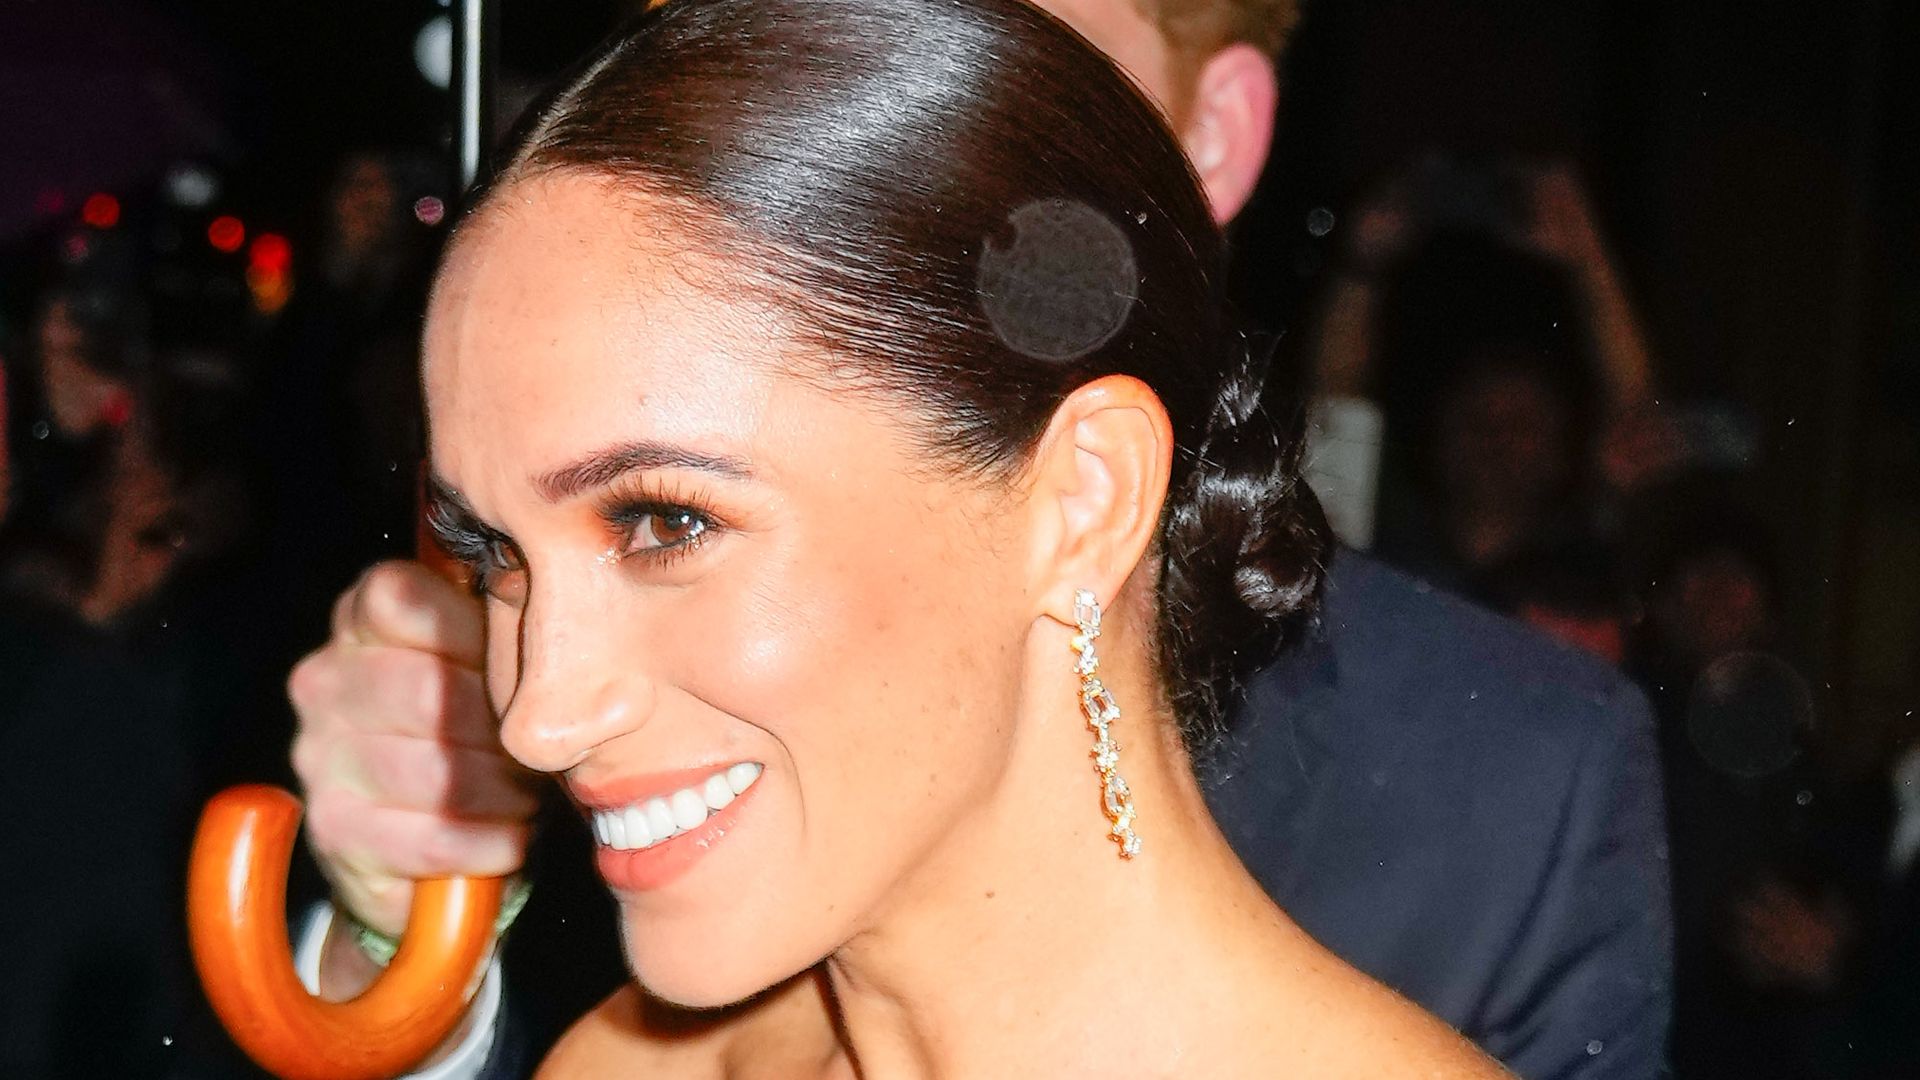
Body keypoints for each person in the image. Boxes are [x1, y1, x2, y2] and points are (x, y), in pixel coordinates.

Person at [286, 0, 1671, 1076]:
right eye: (498, 553)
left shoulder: (1502, 782)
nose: (534, 720)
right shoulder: (624, 1064)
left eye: (666, 521)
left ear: (1082, 501)